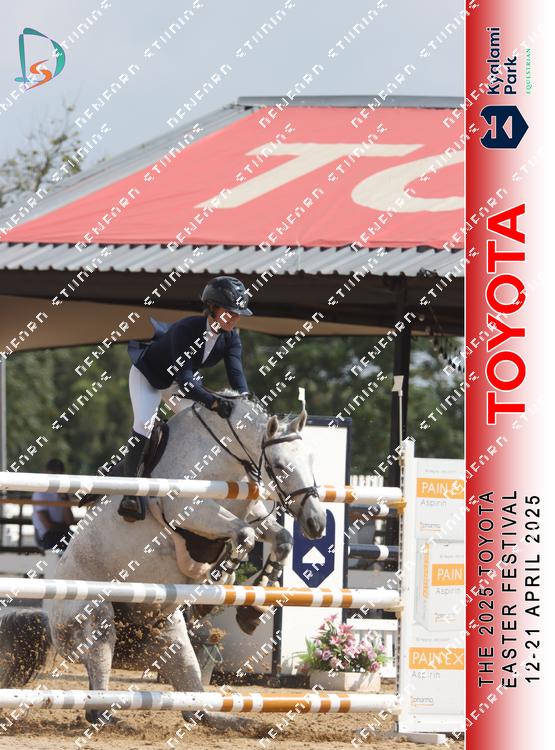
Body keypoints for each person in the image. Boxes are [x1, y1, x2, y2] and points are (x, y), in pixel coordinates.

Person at [119, 275, 253, 521]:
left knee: (201, 424)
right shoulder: (187, 329)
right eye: (230, 312)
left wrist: (245, 403)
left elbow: (237, 375)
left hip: (179, 381)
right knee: (144, 424)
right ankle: (130, 493)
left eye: (238, 314)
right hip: (149, 376)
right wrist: (213, 402)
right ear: (212, 308)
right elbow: (186, 382)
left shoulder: (231, 337)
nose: (235, 318)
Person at [32, 458, 75, 551]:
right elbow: (48, 525)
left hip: (60, 533)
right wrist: (64, 527)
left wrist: (64, 499)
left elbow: (69, 521)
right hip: (46, 536)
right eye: (54, 473)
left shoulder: (63, 493)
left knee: (81, 542)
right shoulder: (40, 493)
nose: (57, 477)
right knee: (74, 544)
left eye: (59, 473)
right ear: (47, 473)